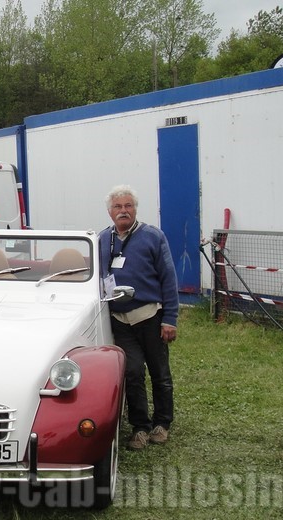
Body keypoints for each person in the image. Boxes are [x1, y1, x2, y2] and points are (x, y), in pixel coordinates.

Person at [99, 185, 179, 451]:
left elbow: (168, 279)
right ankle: (140, 427)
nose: (124, 211)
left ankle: (162, 423)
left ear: (135, 209)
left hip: (150, 316)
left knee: (159, 372)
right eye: (118, 207)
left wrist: (170, 319)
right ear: (110, 212)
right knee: (132, 372)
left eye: (128, 206)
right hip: (119, 320)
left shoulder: (153, 237)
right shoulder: (102, 239)